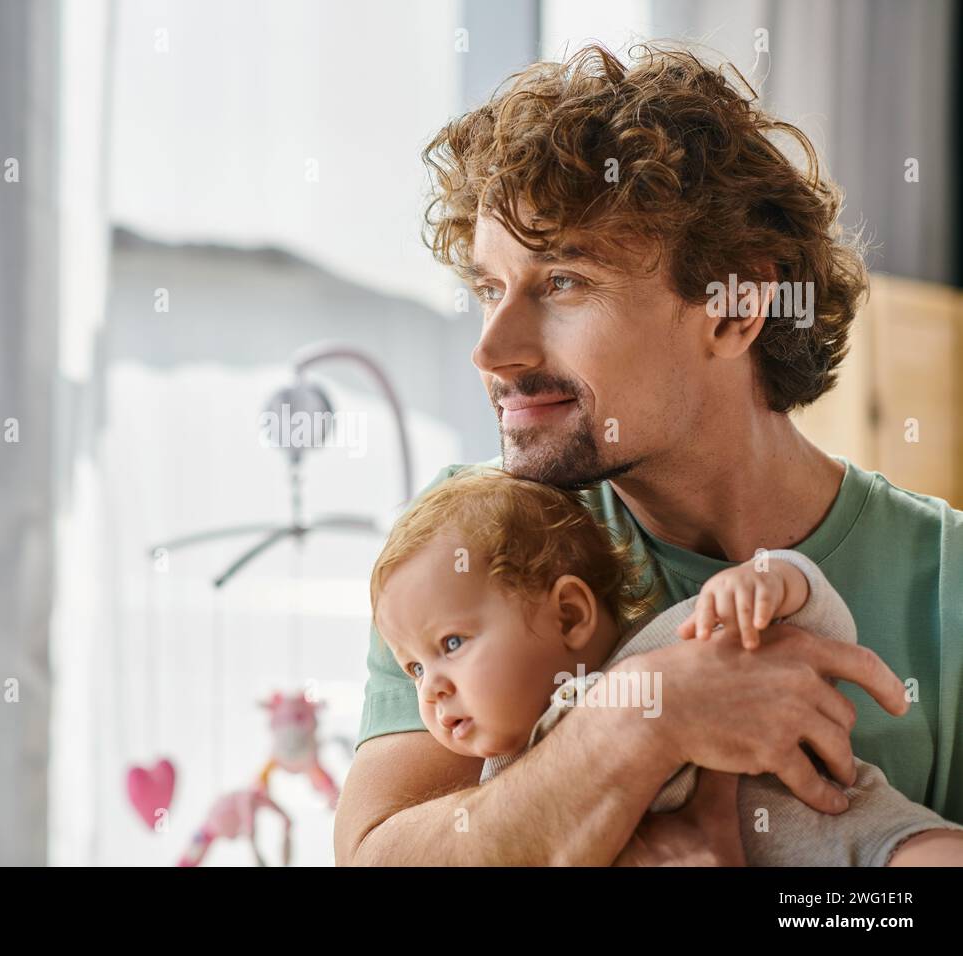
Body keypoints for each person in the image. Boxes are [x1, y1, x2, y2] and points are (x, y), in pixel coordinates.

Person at [333, 42, 963, 866]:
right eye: (491, 289)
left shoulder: (944, 586)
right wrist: (651, 709)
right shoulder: (472, 551)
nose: (492, 349)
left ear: (736, 309)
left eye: (563, 282)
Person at [368, 468, 963, 865]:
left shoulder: (667, 645)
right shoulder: (503, 788)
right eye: (414, 669)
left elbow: (819, 633)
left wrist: (773, 581)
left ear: (571, 614)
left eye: (450, 646)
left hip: (868, 838)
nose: (433, 691)